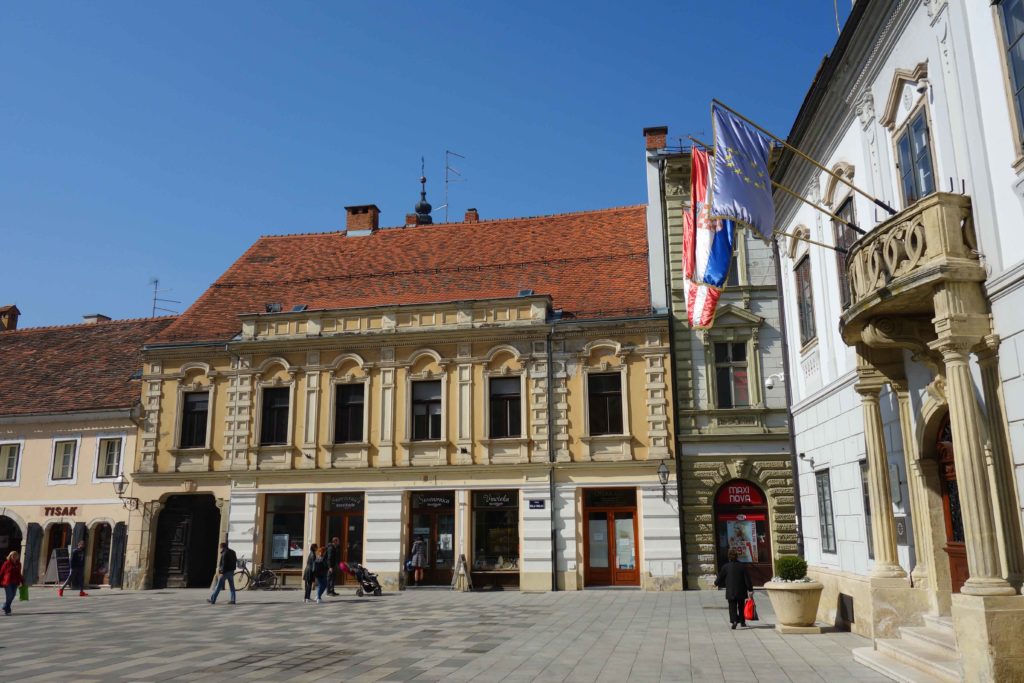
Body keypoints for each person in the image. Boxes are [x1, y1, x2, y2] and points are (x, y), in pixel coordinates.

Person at [715, 547, 754, 629]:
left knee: (732, 606)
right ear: (737, 556)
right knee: (741, 606)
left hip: (731, 591)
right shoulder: (742, 566)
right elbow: (747, 579)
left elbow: (720, 577)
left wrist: (716, 583)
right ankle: (742, 622)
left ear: (729, 557)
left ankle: (734, 620)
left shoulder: (726, 567)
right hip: (741, 591)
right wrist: (750, 589)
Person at [1, 550, 24, 615]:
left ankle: (5, 606)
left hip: (15, 582)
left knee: (13, 595)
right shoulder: (6, 563)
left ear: (17, 556)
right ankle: (7, 609)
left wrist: (22, 581)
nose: (14, 557)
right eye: (13, 555)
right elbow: (2, 572)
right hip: (7, 582)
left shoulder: (19, 564)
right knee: (9, 595)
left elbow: (19, 573)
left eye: (16, 555)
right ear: (10, 556)